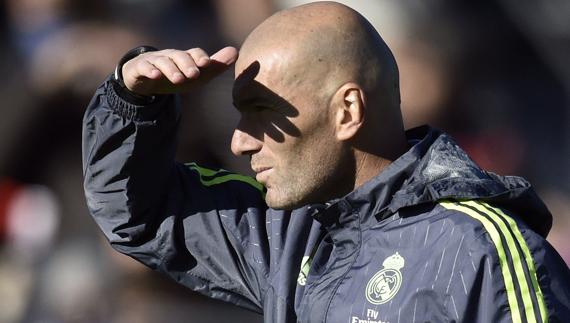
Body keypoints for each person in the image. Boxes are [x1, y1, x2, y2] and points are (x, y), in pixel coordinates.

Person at [82, 2, 570, 322]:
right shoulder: (286, 236)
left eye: (261, 112)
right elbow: (139, 215)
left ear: (347, 111)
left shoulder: (479, 248)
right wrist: (132, 102)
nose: (239, 142)